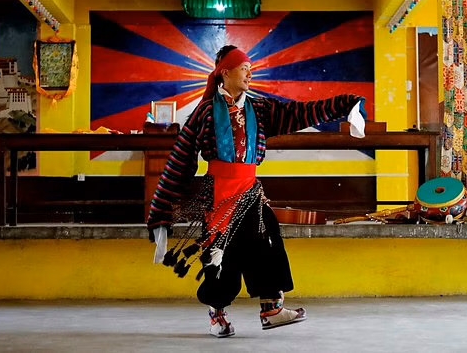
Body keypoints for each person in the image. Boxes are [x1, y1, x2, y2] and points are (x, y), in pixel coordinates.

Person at [147, 45, 366, 338]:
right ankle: (217, 314)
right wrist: (161, 210)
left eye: (250, 69)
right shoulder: (205, 112)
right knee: (221, 254)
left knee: (267, 245)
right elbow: (180, 160)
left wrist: (345, 104)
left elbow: (299, 113)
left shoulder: (260, 109)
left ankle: (271, 310)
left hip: (250, 191)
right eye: (244, 68)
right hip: (220, 194)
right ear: (225, 72)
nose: (249, 74)